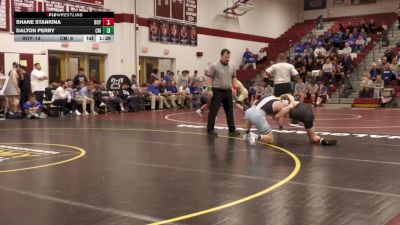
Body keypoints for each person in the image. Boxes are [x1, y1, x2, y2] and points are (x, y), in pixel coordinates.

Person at [205, 49, 240, 137]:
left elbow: (234, 77)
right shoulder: (214, 65)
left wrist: (235, 87)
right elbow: (209, 78)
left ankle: (232, 130)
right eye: (226, 57)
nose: (227, 59)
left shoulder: (232, 66)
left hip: (228, 91)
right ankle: (210, 130)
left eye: (229, 57)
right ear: (221, 56)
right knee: (214, 110)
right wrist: (209, 89)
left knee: (229, 111)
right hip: (217, 90)